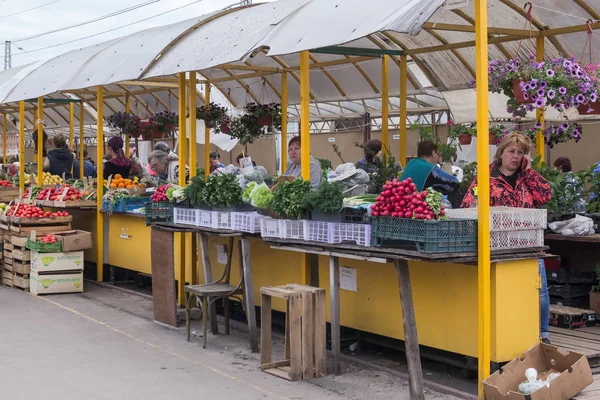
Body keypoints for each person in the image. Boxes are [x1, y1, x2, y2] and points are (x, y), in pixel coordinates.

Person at [461, 133, 552, 344]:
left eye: (520, 153)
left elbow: (545, 196)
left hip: (529, 243)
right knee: (504, 291)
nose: (516, 156)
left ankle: (543, 333)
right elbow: (469, 206)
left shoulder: (526, 178)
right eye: (511, 151)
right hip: (498, 246)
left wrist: (529, 172)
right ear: (501, 153)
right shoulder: (485, 178)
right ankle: (508, 334)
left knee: (539, 290)